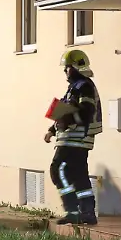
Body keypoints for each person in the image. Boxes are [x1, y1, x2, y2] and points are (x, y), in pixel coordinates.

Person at [45, 49, 103, 225]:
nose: (65, 71)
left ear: (77, 67)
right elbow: (66, 110)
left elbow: (85, 113)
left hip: (76, 139)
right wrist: (52, 130)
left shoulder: (84, 87)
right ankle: (85, 213)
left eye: (67, 67)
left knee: (58, 170)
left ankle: (73, 211)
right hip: (73, 139)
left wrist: (66, 120)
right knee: (78, 175)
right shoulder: (76, 87)